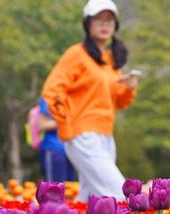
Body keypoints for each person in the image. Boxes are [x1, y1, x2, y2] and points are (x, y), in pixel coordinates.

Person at [42, 0, 138, 200]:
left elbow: (120, 102)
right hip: (83, 136)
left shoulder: (110, 60)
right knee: (121, 195)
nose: (105, 24)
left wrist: (129, 87)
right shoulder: (77, 54)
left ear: (115, 25)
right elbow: (52, 91)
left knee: (91, 200)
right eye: (99, 19)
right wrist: (66, 125)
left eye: (109, 20)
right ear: (88, 24)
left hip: (105, 136)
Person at [38, 97, 77, 182]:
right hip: (54, 149)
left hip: (71, 150)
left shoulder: (75, 97)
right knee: (54, 186)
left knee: (70, 186)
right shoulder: (50, 97)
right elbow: (42, 125)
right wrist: (65, 122)